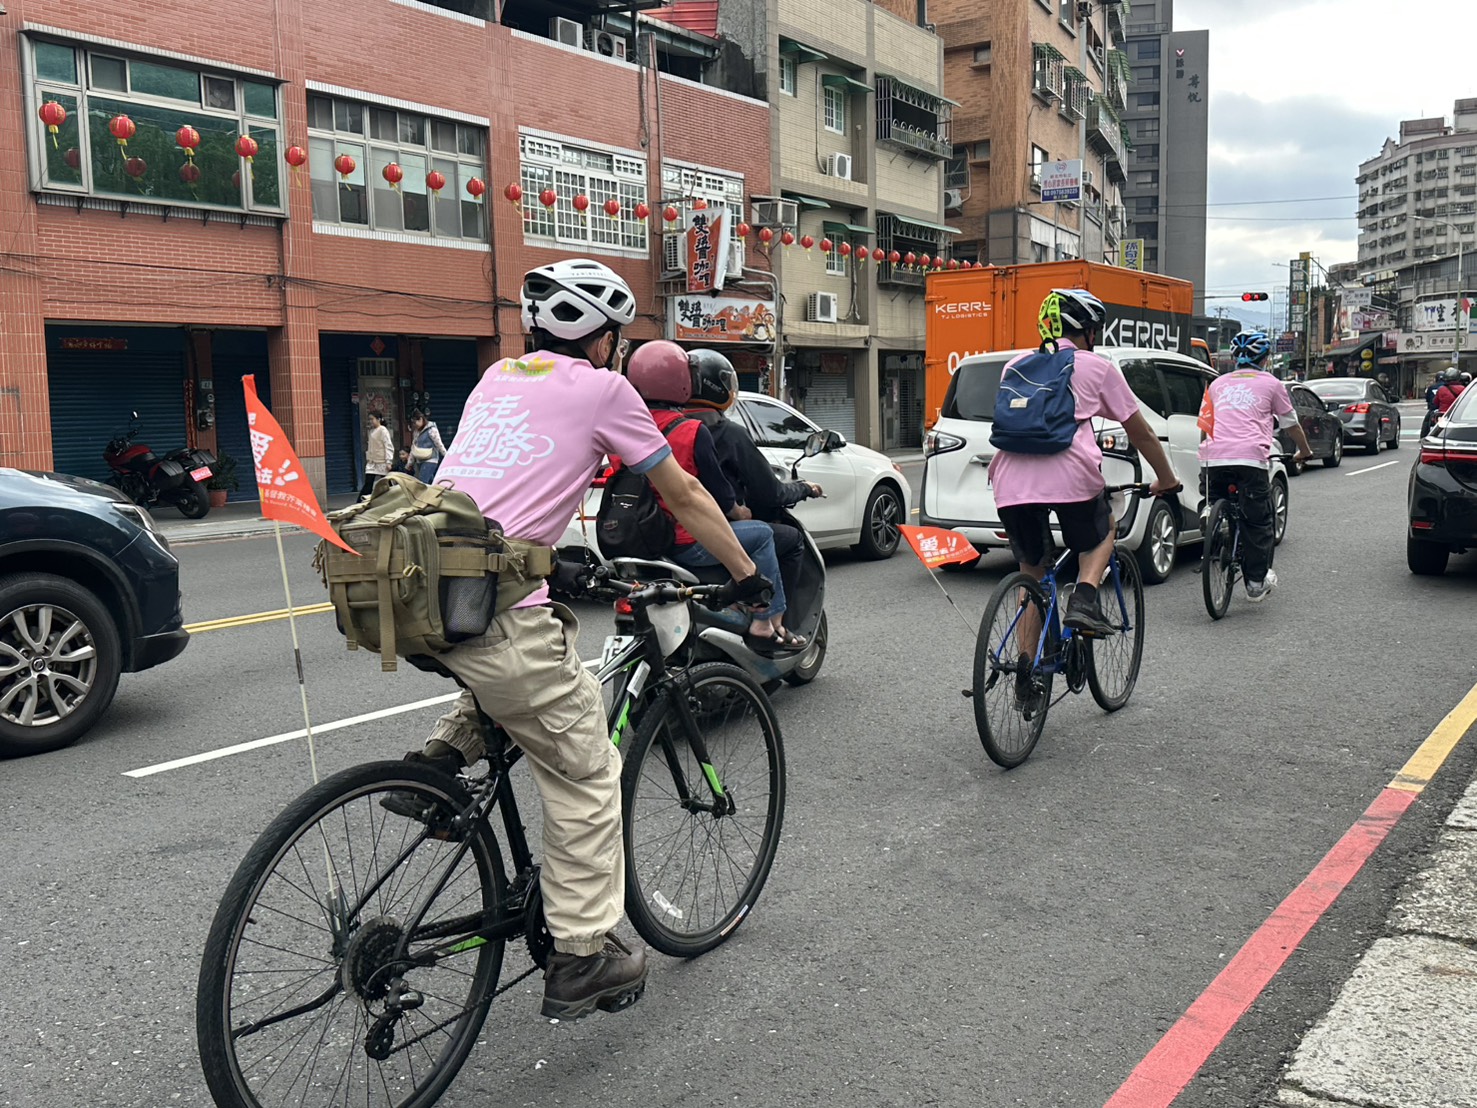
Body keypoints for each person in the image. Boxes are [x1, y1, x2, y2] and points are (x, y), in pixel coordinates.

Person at [400, 259, 772, 1022]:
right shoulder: (605, 388)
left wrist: (553, 558)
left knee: (535, 669)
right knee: (589, 771)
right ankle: (581, 957)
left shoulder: (494, 377)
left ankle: (435, 767)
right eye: (615, 336)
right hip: (496, 604)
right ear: (601, 338)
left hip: (426, 592)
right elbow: (682, 493)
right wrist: (746, 573)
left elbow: (497, 483)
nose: (616, 348)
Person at [988, 289, 1180, 707]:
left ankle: (1026, 671)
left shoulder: (1014, 365)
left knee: (1032, 574)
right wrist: (1166, 478)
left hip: (1009, 481)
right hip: (1070, 475)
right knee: (1102, 530)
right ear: (1089, 331)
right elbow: (1141, 432)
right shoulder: (1096, 366)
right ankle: (1085, 598)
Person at [622, 341, 806, 654]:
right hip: (686, 540)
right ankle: (766, 620)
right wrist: (739, 511)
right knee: (762, 534)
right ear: (683, 380)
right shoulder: (692, 431)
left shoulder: (625, 426)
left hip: (637, 538)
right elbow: (715, 495)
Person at [678, 347, 821, 623]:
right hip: (702, 532)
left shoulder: (662, 428)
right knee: (790, 540)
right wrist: (804, 488)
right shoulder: (726, 433)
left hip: (662, 533)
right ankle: (775, 620)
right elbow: (769, 492)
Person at [1198, 330, 1312, 603]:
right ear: (1265, 358)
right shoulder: (1272, 384)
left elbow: (1204, 426)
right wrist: (1305, 451)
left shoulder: (1217, 384)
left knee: (1215, 494)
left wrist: (1206, 452)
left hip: (1213, 457)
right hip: (1250, 458)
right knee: (1259, 520)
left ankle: (1212, 512)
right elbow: (1291, 424)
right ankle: (1256, 583)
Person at [360, 411, 394, 497]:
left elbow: (388, 446)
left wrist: (388, 461)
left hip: (381, 461)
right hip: (372, 462)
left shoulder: (383, 430)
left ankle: (393, 498)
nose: (370, 421)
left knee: (386, 483)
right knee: (368, 483)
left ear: (378, 419)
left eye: (372, 419)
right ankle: (362, 501)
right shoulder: (372, 431)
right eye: (369, 419)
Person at [408, 408, 446, 483]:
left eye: (415, 423)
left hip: (430, 460)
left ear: (421, 419)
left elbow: (439, 444)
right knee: (430, 482)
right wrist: (409, 463)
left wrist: (446, 456)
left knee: (423, 483)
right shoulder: (416, 432)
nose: (414, 425)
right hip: (419, 460)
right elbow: (414, 447)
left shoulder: (432, 430)